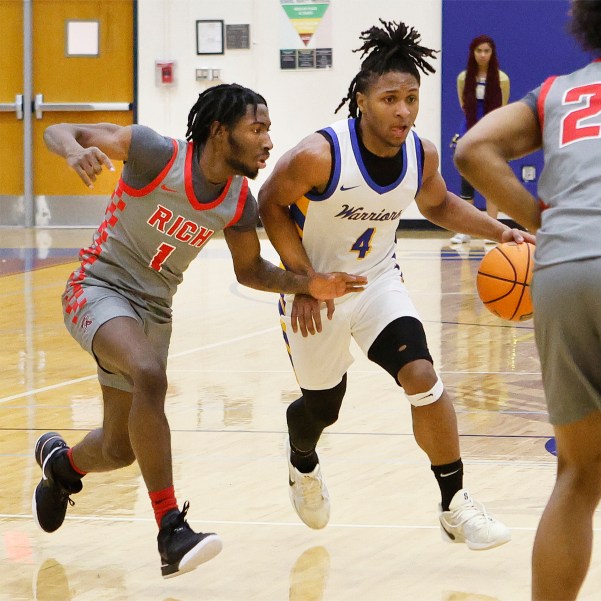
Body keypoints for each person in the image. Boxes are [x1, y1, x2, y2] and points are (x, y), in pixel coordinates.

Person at [33, 83, 367, 579]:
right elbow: (59, 129)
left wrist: (308, 284)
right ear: (219, 130)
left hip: (153, 311)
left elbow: (250, 271)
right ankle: (171, 530)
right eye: (257, 129)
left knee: (120, 449)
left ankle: (61, 469)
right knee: (148, 373)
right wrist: (76, 151)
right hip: (96, 286)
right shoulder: (154, 154)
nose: (268, 142)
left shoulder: (238, 201)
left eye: (269, 131)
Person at [258, 20, 534, 550]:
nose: (403, 110)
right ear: (361, 101)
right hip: (318, 290)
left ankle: (454, 502)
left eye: (411, 98)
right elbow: (268, 203)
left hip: (378, 282)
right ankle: (302, 464)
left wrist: (500, 229)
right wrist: (303, 281)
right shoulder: (319, 154)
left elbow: (437, 204)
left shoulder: (421, 153)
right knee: (323, 407)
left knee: (422, 374)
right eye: (389, 99)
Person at [454, 1, 601, 598]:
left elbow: (472, 149)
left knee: (577, 475)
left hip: (563, 269)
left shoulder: (559, 91)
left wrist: (544, 220)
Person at [450, 34, 510, 245]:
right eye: (479, 51)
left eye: (487, 51)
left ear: (492, 53)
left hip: (492, 129)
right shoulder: (463, 78)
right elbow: (463, 105)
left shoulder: (502, 78)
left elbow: (502, 106)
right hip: (468, 127)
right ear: (473, 53)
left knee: (492, 179)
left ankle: (493, 228)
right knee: (466, 179)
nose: (483, 55)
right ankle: (464, 230)